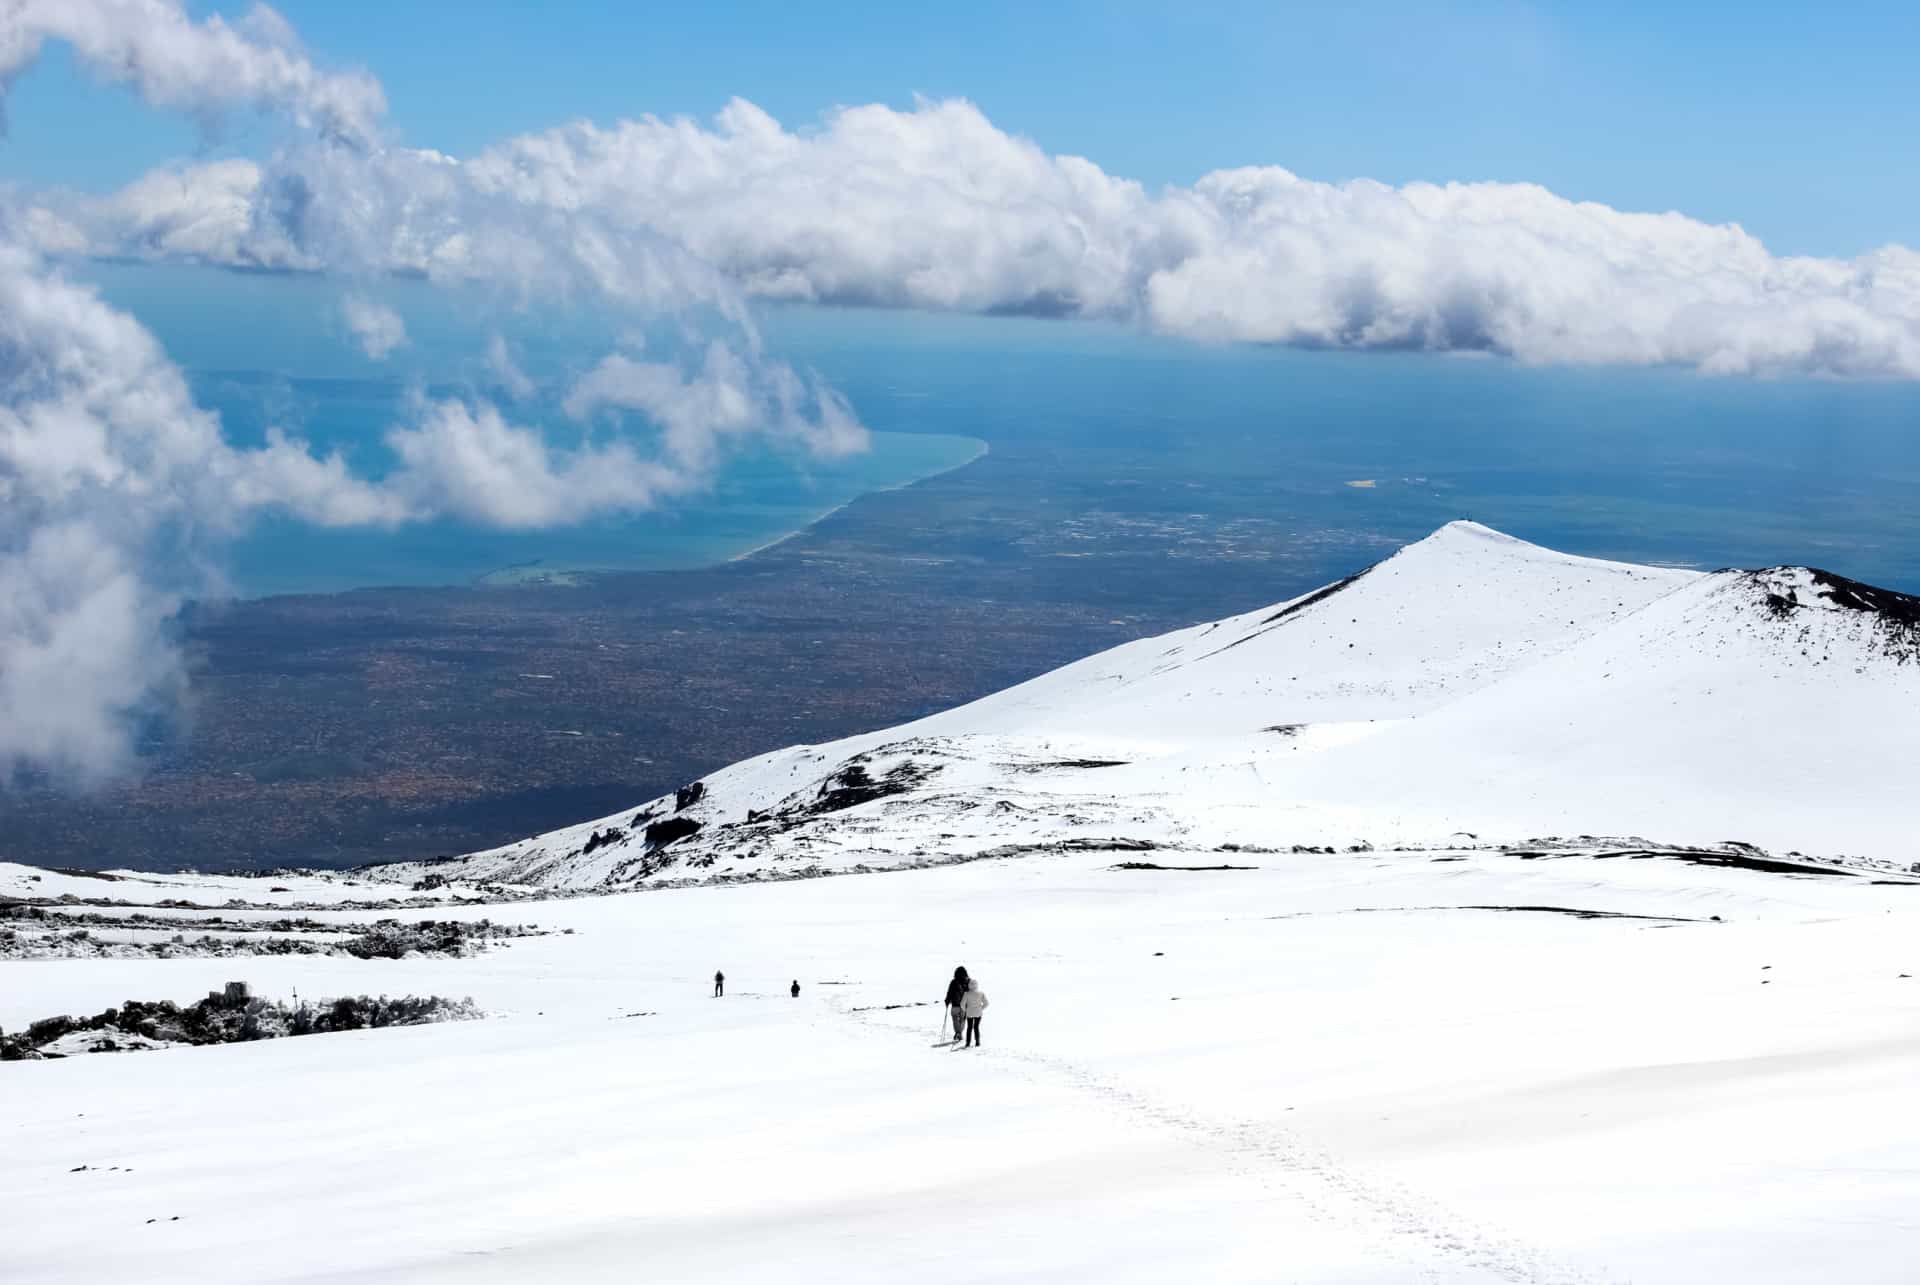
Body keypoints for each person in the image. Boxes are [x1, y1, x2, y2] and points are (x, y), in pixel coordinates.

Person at [942, 966, 970, 1043]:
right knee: (962, 1020)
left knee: (955, 1019)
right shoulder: (968, 981)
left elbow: (949, 993)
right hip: (964, 1005)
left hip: (955, 1004)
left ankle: (958, 1032)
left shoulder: (953, 982)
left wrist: (947, 1001)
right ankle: (960, 1033)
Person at [960, 977, 989, 1048]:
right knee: (976, 1027)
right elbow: (987, 1003)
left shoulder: (966, 994)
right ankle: (977, 1042)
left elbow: (962, 1004)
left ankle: (968, 1043)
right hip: (978, 1013)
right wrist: (981, 1008)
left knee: (969, 1027)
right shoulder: (981, 993)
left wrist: (966, 1010)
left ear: (969, 985)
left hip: (969, 1013)